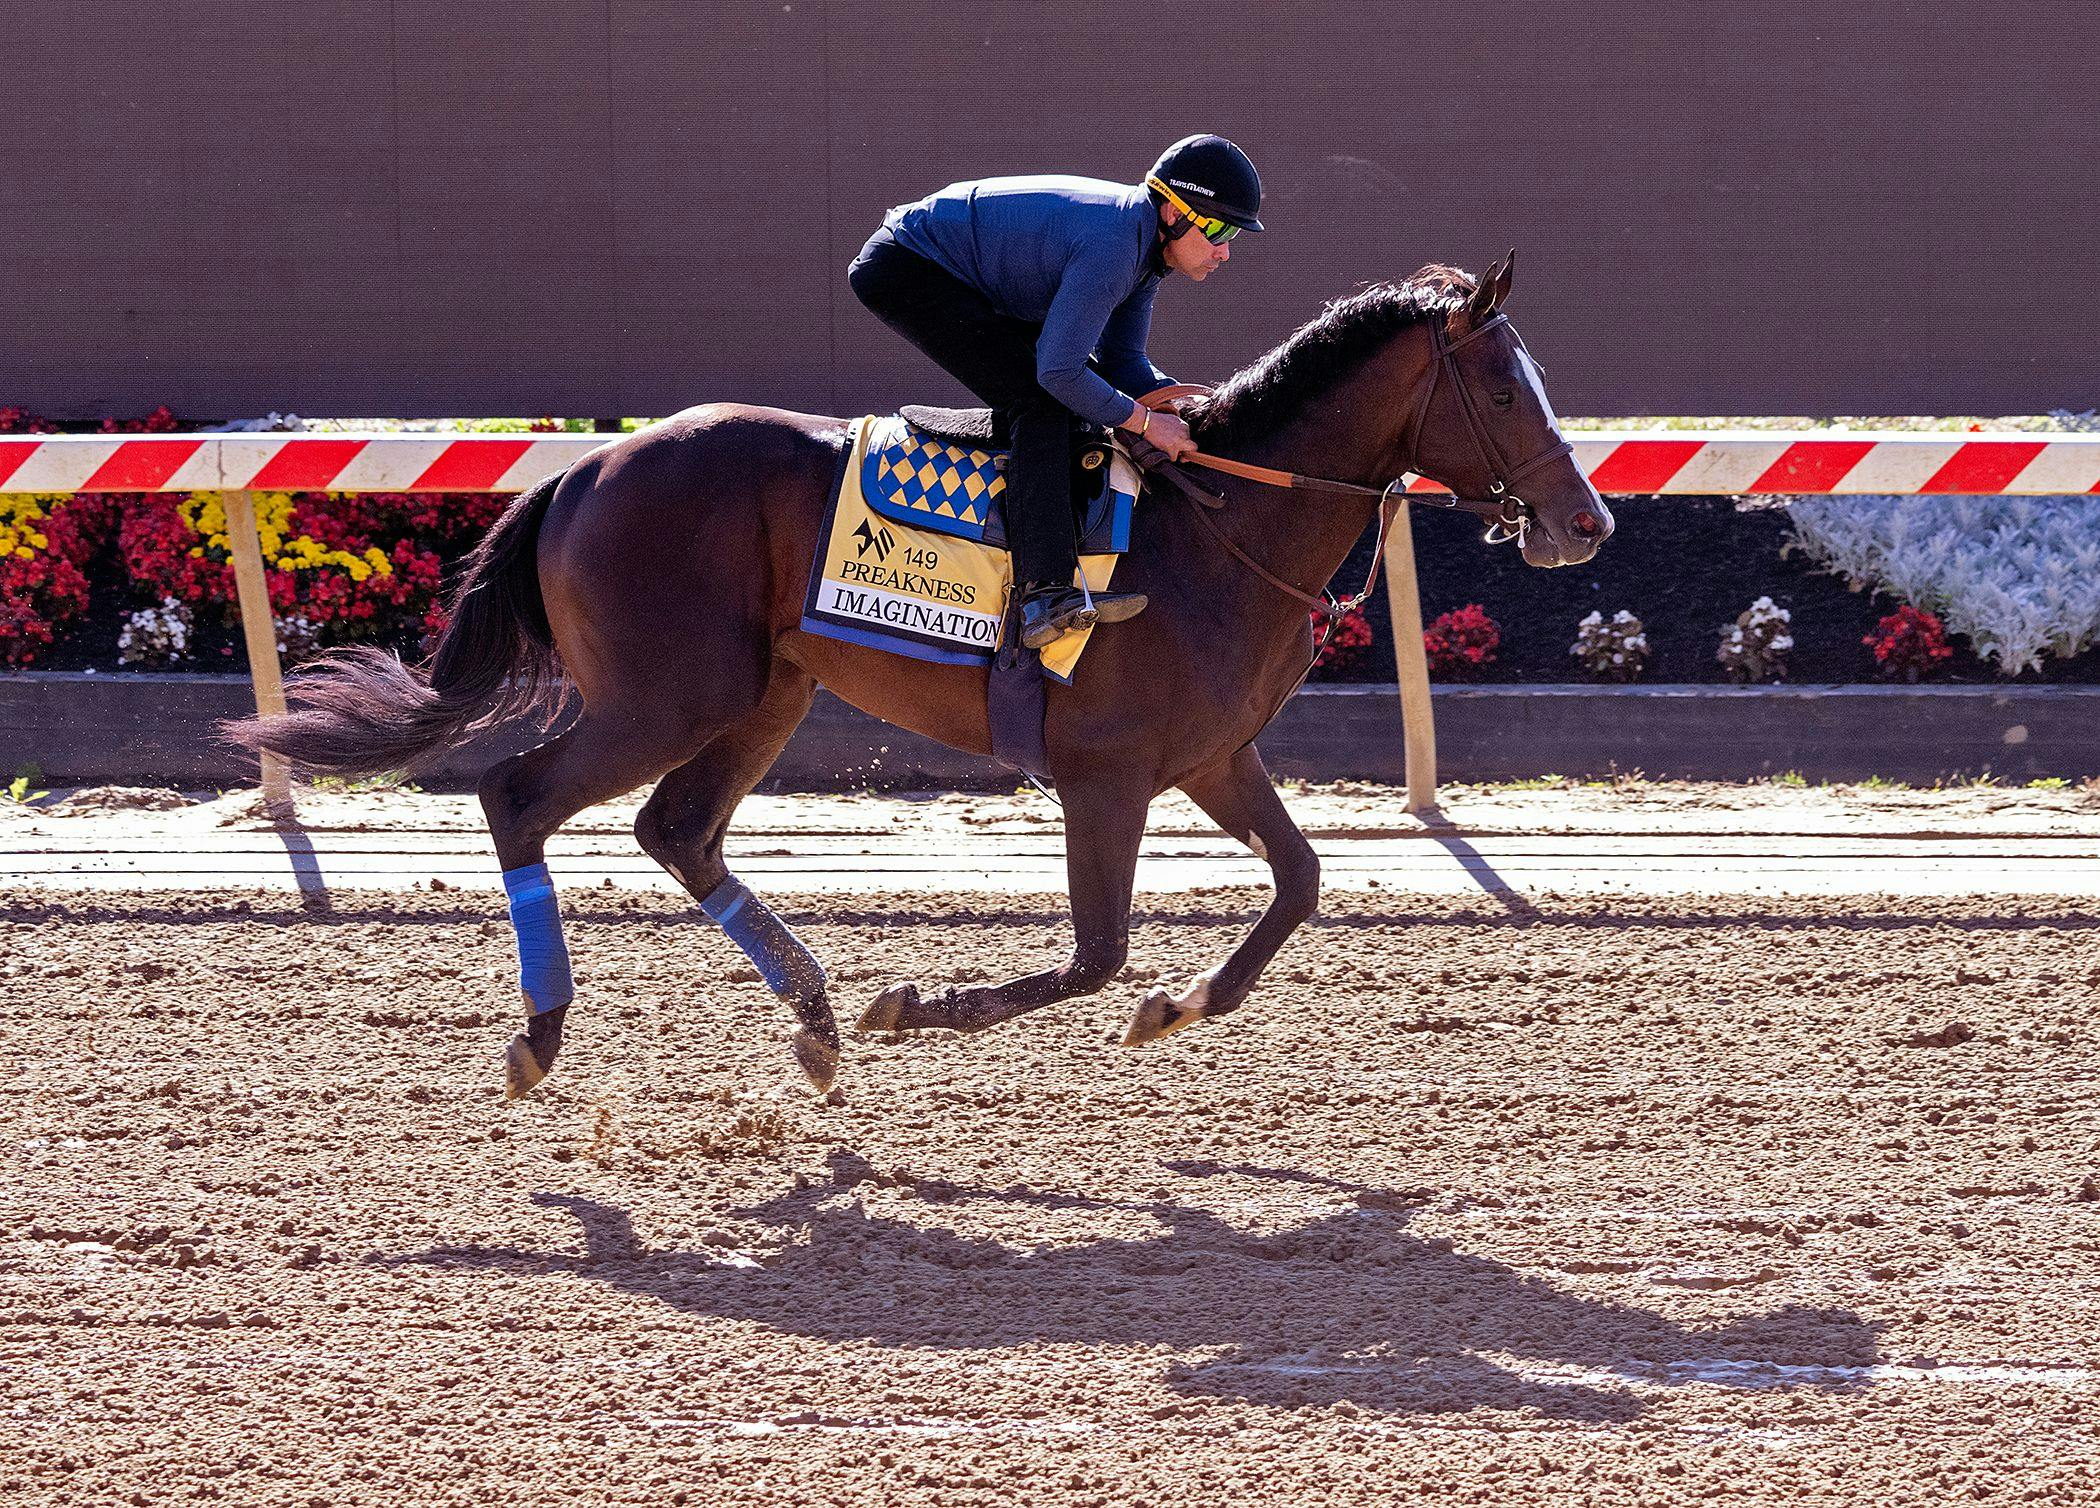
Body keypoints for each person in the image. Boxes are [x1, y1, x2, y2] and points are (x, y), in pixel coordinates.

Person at [848, 134, 1263, 649]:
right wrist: (1144, 422)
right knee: (1045, 400)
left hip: (963, 273)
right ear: (1173, 214)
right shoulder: (1115, 245)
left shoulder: (1145, 253)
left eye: (1235, 236)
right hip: (906, 266)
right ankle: (1041, 596)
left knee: (1081, 390)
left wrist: (1181, 405)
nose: (1225, 251)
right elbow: (1058, 374)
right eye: (1219, 230)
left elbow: (1123, 363)